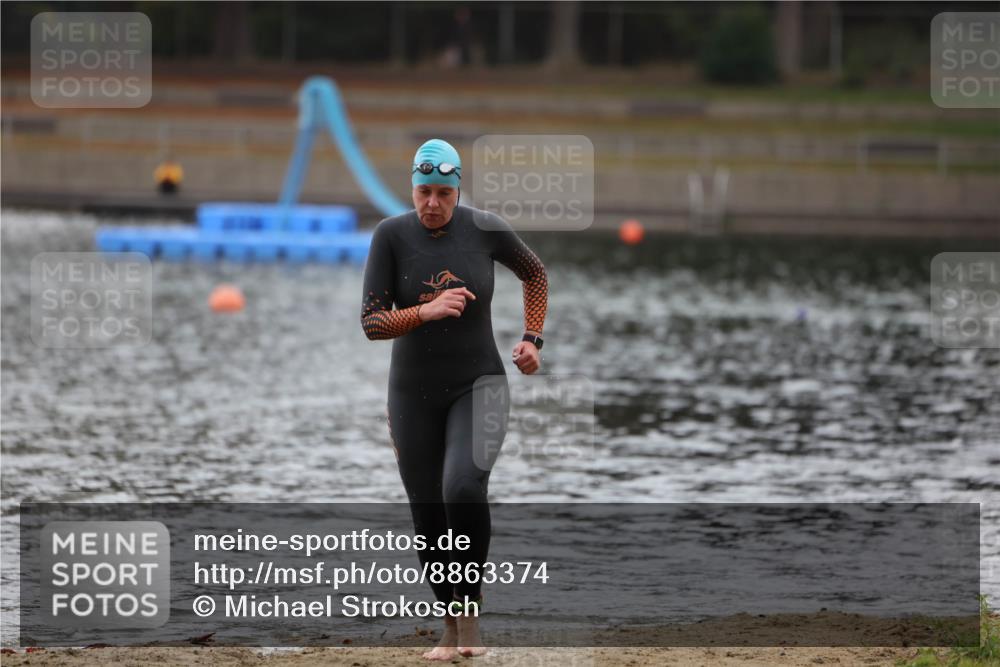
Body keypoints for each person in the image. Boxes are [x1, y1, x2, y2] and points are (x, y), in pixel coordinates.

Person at [360, 139, 548, 659]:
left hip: (479, 385)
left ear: (458, 189)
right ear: (412, 189)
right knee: (428, 516)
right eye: (424, 192)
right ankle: (450, 622)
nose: (433, 204)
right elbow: (372, 323)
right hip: (411, 396)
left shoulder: (484, 228)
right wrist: (426, 310)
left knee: (461, 488)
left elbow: (534, 274)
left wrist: (533, 339)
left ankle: (470, 625)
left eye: (444, 192)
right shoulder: (390, 236)